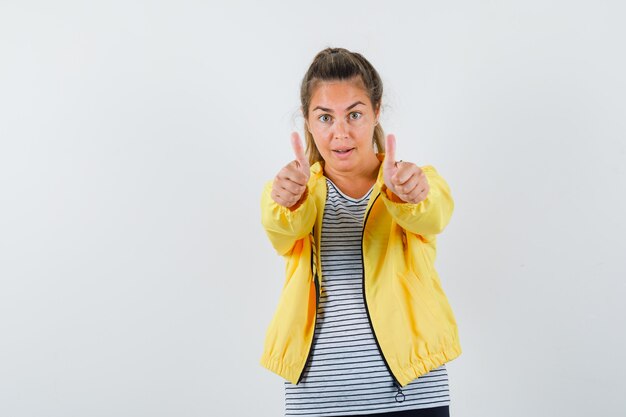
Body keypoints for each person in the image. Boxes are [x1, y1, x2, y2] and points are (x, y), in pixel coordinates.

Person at [259, 47, 462, 417]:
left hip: (413, 394)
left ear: (376, 111)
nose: (341, 133)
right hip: (316, 402)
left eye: (354, 114)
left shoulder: (415, 181)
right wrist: (290, 203)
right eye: (324, 117)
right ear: (307, 120)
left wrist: (410, 198)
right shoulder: (288, 190)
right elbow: (282, 232)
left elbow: (433, 215)